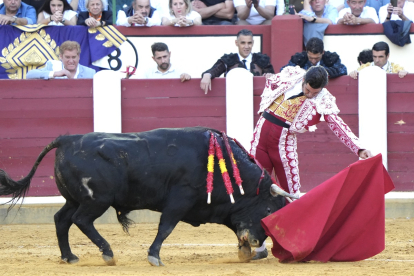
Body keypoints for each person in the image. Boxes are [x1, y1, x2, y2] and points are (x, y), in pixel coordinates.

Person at [249, 66, 373, 260]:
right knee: (255, 189)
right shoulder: (291, 75)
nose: (309, 95)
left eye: (314, 93)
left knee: (291, 194)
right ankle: (257, 245)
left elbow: (337, 124)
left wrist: (359, 147)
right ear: (304, 79)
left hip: (283, 144)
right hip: (261, 135)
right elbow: (270, 82)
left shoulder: (322, 98)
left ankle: (295, 244)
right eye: (307, 90)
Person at [200, 29, 274, 94]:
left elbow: (273, 79)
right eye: (243, 43)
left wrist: (270, 76)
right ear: (236, 43)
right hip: (233, 98)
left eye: (249, 43)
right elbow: (214, 70)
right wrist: (207, 75)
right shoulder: (228, 60)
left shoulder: (262, 60)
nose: (246, 46)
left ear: (253, 43)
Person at [281, 37, 347, 79]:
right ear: (307, 53)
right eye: (310, 57)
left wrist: (324, 72)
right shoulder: (299, 59)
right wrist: (300, 72)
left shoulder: (331, 58)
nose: (313, 61)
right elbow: (283, 70)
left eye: (317, 58)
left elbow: (343, 69)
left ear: (323, 52)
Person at [26, 41, 96, 79]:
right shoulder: (53, 67)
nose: (71, 61)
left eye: (74, 57)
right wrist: (55, 74)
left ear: (79, 57)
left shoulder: (90, 73)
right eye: (67, 57)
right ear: (61, 57)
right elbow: (29, 75)